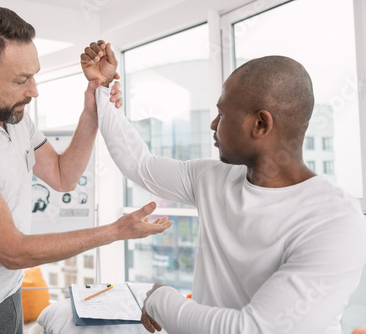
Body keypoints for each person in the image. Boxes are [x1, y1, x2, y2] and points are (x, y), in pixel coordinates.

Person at [0, 6, 173, 333]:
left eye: (34, 75)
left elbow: (64, 176)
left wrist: (92, 102)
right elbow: (12, 250)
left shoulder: (13, 118)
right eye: (21, 80)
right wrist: (116, 231)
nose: (34, 90)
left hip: (7, 289)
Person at [82, 42, 366, 333]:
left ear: (260, 124)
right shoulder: (213, 177)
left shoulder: (336, 221)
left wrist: (158, 297)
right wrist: (102, 89)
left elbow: (251, 330)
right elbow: (140, 165)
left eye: (223, 114)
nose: (213, 124)